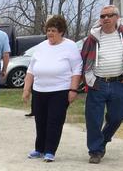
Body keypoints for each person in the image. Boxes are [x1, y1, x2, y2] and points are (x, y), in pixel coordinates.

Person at [23, 15, 83, 162]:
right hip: (39, 90)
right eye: (48, 30)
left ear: (61, 31)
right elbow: (31, 69)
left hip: (60, 90)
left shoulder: (70, 46)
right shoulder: (41, 46)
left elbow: (77, 69)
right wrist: (26, 89)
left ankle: (50, 150)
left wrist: (73, 90)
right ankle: (39, 148)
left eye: (54, 30)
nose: (50, 33)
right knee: (40, 120)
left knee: (54, 121)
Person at [80, 4, 123, 164]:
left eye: (109, 15)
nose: (106, 18)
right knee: (93, 120)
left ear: (117, 17)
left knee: (117, 117)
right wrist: (88, 79)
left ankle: (103, 140)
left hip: (119, 83)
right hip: (98, 84)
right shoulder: (92, 38)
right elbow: (84, 58)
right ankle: (95, 151)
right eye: (102, 16)